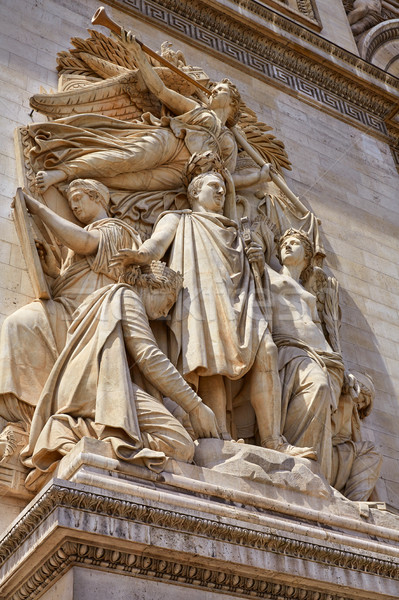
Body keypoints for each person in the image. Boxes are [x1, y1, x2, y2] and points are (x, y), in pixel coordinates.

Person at [111, 168, 315, 459]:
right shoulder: (179, 219)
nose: (221, 192)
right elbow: (156, 245)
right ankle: (219, 438)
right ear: (195, 192)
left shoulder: (234, 230)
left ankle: (273, 440)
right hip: (200, 297)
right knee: (210, 365)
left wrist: (255, 260)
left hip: (240, 297)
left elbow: (253, 273)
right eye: (213, 186)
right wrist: (140, 256)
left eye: (223, 188)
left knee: (267, 350)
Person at [29, 32, 260, 195]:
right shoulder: (199, 110)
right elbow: (160, 90)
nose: (214, 90)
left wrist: (261, 176)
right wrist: (138, 55)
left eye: (221, 90)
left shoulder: (229, 140)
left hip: (184, 173)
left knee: (130, 182)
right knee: (125, 158)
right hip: (172, 143)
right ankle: (60, 172)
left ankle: (77, 183)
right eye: (215, 87)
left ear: (232, 104)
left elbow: (227, 179)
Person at [0, 179, 137, 440]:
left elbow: (85, 243)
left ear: (97, 197)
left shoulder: (116, 230)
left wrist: (39, 209)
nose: (73, 206)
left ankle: (37, 417)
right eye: (71, 201)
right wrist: (53, 270)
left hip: (88, 314)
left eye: (78, 198)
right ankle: (32, 417)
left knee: (19, 325)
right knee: (17, 325)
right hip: (68, 307)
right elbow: (75, 275)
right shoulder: (90, 232)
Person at [265, 229, 345, 480]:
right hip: (289, 347)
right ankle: (292, 455)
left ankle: (309, 464)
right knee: (317, 387)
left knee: (322, 392)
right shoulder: (269, 274)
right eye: (284, 243)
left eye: (295, 243)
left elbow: (317, 329)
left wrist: (338, 363)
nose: (287, 246)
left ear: (307, 255)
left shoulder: (307, 292)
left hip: (321, 355)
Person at [331, 371, 382, 501]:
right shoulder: (344, 399)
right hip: (327, 454)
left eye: (363, 405)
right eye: (363, 400)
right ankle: (355, 501)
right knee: (372, 451)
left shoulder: (351, 412)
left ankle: (356, 502)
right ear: (358, 388)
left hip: (337, 459)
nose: (360, 405)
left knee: (371, 452)